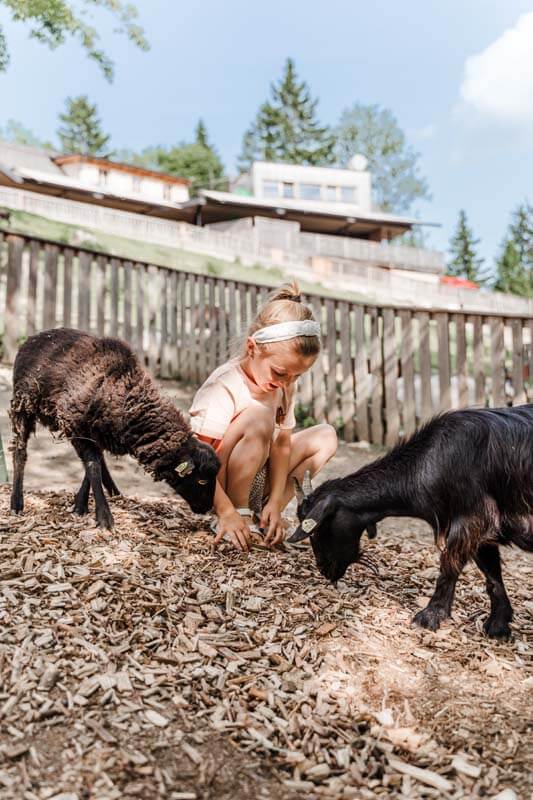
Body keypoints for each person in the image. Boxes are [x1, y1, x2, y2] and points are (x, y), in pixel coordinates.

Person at [189, 282, 338, 552]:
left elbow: (282, 444)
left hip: (257, 475)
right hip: (212, 486)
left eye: (296, 376)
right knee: (258, 417)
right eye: (280, 372)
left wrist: (276, 504)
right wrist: (225, 511)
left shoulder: (283, 386)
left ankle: (266, 516)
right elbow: (195, 460)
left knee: (326, 436)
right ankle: (237, 515)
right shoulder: (225, 384)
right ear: (252, 348)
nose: (286, 383)